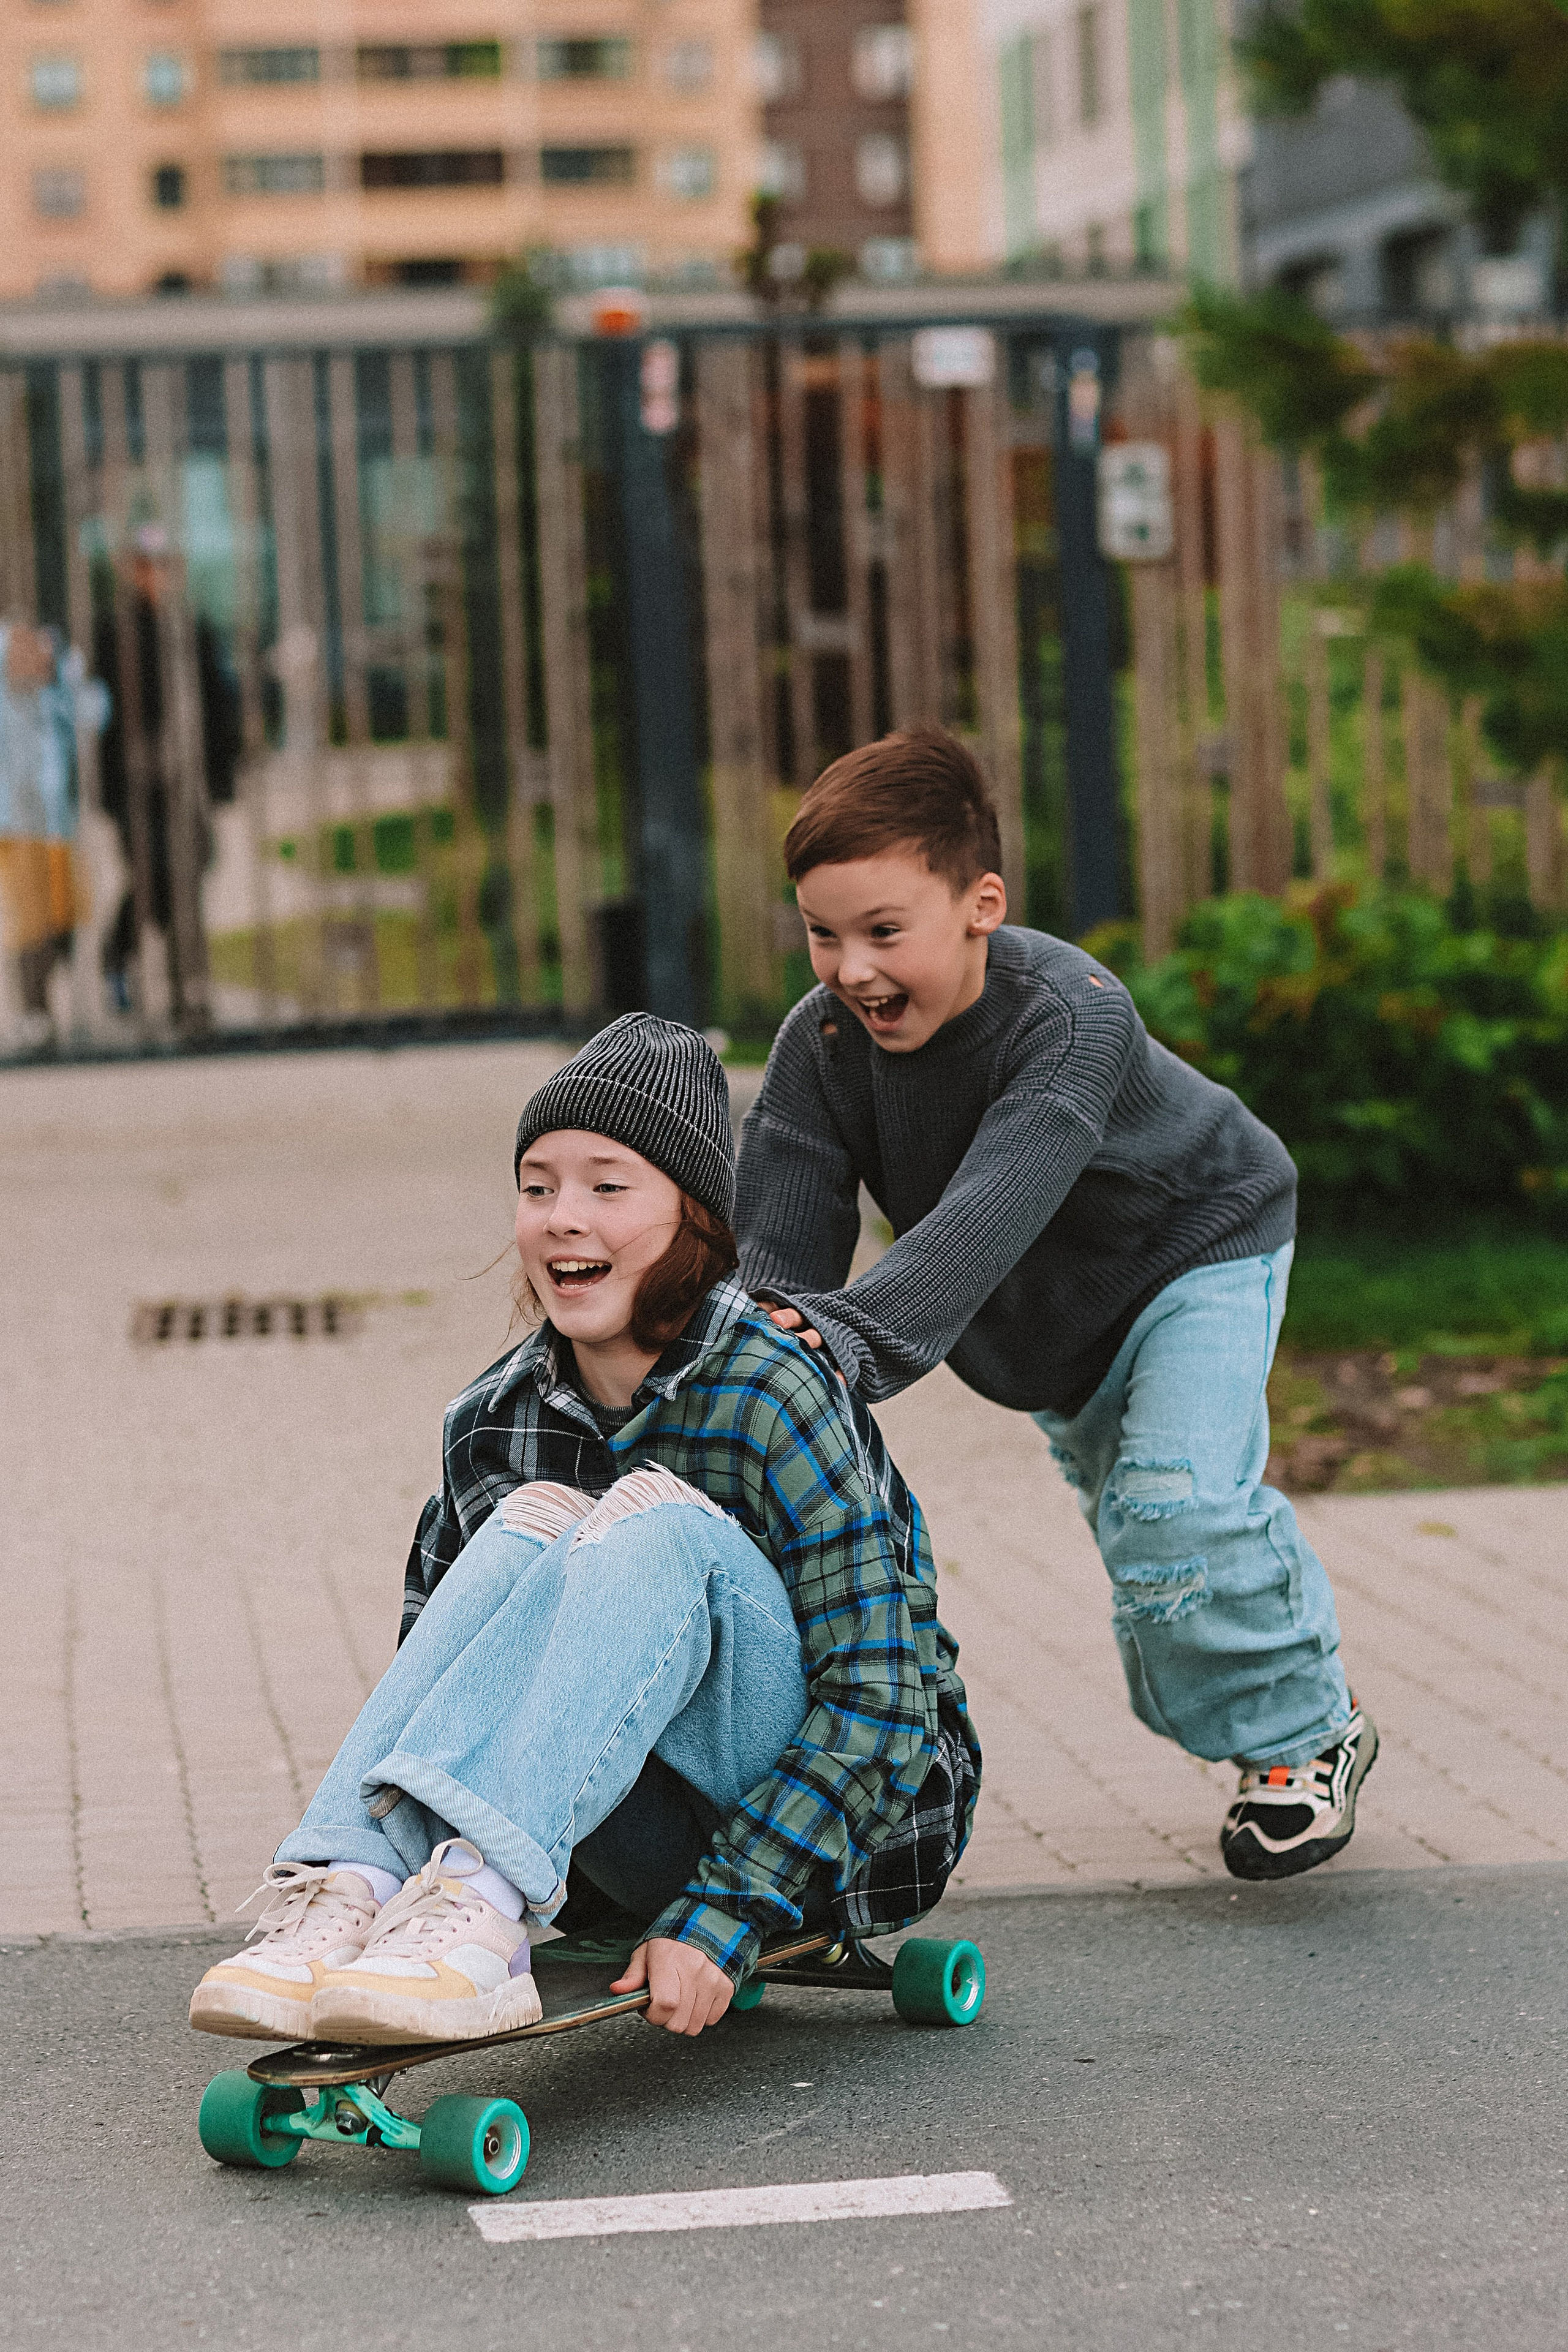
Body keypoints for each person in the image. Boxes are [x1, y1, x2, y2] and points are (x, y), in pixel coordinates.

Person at [190, 1014, 978, 2047]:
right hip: (609, 1843)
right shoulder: (493, 1422)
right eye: (537, 1188)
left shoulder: (775, 1390)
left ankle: (481, 1909)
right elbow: (459, 1687)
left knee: (657, 1525)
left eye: (609, 1188)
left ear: (695, 1219)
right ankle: (353, 1879)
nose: (564, 1219)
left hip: (848, 1839)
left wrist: (726, 1912)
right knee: (530, 1524)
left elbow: (882, 1701)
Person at [736, 725, 1375, 1882]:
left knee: (1173, 1508)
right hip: (1049, 1328)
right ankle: (1257, 1712)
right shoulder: (823, 1046)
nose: (852, 969)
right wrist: (745, 1364)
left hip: (1195, 1251)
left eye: (884, 932)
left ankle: (1305, 1737)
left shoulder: (1070, 1017)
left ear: (981, 905)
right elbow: (781, 1230)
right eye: (823, 935)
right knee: (1150, 1556)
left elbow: (996, 1199)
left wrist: (851, 1338)